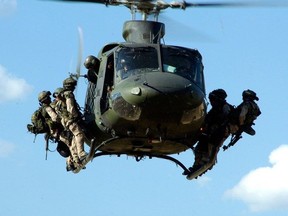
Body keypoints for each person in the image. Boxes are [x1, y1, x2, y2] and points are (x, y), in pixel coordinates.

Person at [186, 89, 233, 174]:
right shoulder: (214, 109)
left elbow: (224, 120)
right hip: (209, 133)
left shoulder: (225, 107)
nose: (212, 102)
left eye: (213, 99)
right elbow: (206, 119)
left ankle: (205, 164)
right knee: (198, 149)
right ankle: (196, 166)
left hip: (217, 133)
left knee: (210, 149)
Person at [38, 90, 75, 170]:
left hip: (56, 131)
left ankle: (71, 161)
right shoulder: (47, 108)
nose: (50, 98)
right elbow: (55, 118)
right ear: (45, 99)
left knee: (69, 143)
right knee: (70, 143)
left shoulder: (45, 108)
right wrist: (63, 118)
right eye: (48, 97)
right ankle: (73, 161)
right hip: (57, 132)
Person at [55, 77, 87, 166]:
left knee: (73, 139)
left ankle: (76, 158)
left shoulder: (59, 101)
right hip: (70, 119)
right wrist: (75, 117)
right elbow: (70, 107)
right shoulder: (68, 94)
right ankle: (81, 153)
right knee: (79, 134)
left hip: (64, 121)